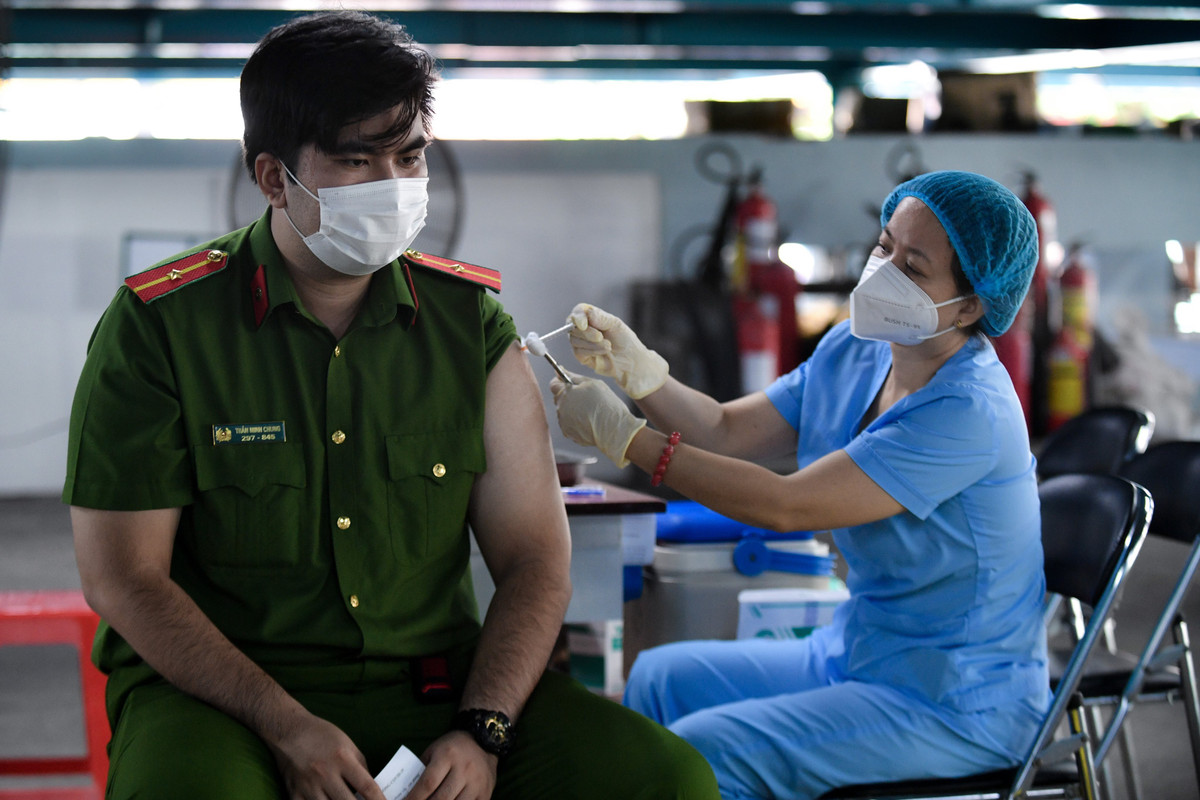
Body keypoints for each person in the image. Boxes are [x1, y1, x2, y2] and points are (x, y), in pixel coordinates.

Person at [63, 11, 718, 800]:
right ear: (273, 177)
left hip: (439, 693)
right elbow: (125, 581)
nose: (394, 187)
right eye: (355, 160)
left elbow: (535, 560)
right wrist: (285, 725)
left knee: (662, 778)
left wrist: (484, 731)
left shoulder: (467, 325)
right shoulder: (161, 326)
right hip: (224, 697)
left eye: (409, 157)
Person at [551, 170, 1050, 799]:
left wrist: (629, 440)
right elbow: (728, 430)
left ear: (973, 305)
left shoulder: (968, 411)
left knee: (708, 752)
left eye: (914, 267)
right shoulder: (857, 349)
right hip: (861, 649)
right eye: (884, 246)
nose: (885, 270)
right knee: (658, 679)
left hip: (955, 700)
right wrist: (641, 373)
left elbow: (786, 506)